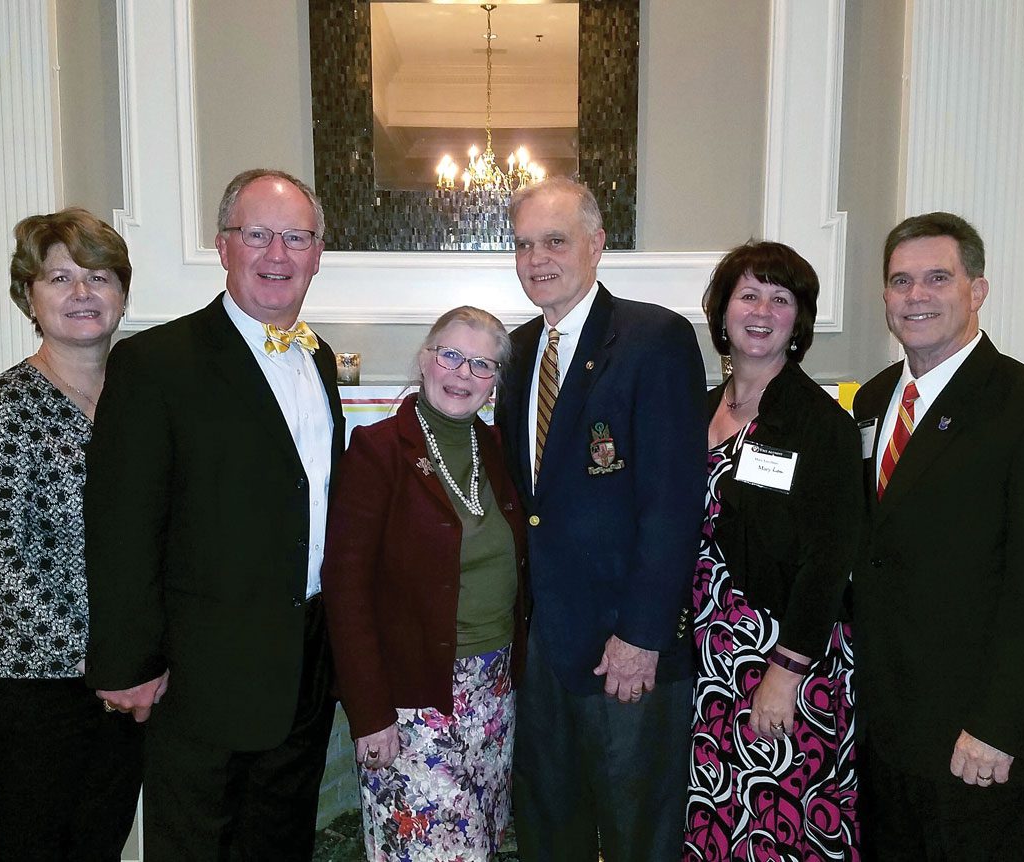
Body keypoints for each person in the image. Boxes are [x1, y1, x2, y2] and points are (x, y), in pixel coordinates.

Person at [83, 169, 345, 860]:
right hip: (201, 679)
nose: (277, 255)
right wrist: (127, 661)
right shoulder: (156, 362)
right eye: (257, 235)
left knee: (281, 844)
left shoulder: (317, 360)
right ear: (224, 246)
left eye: (295, 237)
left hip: (303, 669)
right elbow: (121, 522)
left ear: (318, 253)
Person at [852, 212, 1024, 861]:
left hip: (975, 745)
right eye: (901, 281)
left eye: (938, 278)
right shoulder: (872, 403)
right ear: (885, 296)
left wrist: (997, 727)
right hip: (882, 739)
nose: (916, 296)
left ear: (977, 290)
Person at [495, 176, 705, 860]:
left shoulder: (654, 339)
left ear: (595, 244)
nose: (537, 259)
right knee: (547, 831)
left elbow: (674, 499)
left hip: (625, 652)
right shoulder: (517, 351)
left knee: (636, 836)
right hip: (538, 654)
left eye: (554, 241)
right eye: (523, 244)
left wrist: (642, 635)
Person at [0, 207, 141, 860]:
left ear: (121, 292)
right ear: (29, 296)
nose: (83, 294)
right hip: (24, 684)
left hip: (119, 685)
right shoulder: (4, 407)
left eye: (99, 276)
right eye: (61, 278)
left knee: (97, 847)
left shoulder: (141, 399)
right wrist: (101, 655)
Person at [321, 306, 527, 861]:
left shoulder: (500, 450)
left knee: (478, 845)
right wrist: (370, 713)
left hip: (494, 695)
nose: (463, 374)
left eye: (482, 365)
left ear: (495, 382)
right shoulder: (378, 449)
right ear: (425, 359)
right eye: (451, 356)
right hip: (411, 701)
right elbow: (346, 590)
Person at [683, 241, 863, 861]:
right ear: (724, 312)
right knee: (716, 823)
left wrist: (783, 675)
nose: (762, 310)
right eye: (748, 294)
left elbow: (827, 560)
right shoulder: (700, 409)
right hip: (708, 664)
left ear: (799, 320)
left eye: (780, 298)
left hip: (779, 659)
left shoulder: (820, 424)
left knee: (775, 829)